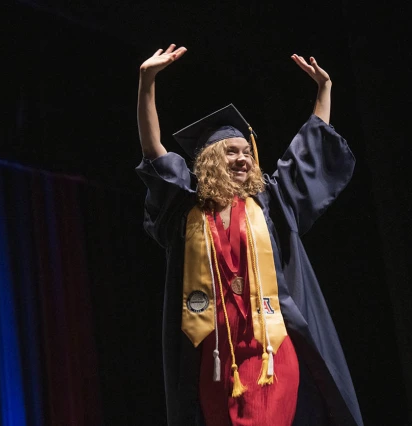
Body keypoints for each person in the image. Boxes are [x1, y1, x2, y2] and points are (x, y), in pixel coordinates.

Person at [135, 44, 363, 426]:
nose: (243, 158)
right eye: (231, 152)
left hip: (270, 350)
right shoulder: (185, 212)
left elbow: (309, 152)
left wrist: (324, 91)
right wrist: (147, 82)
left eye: (247, 152)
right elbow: (153, 152)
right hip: (214, 356)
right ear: (209, 160)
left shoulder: (270, 203)